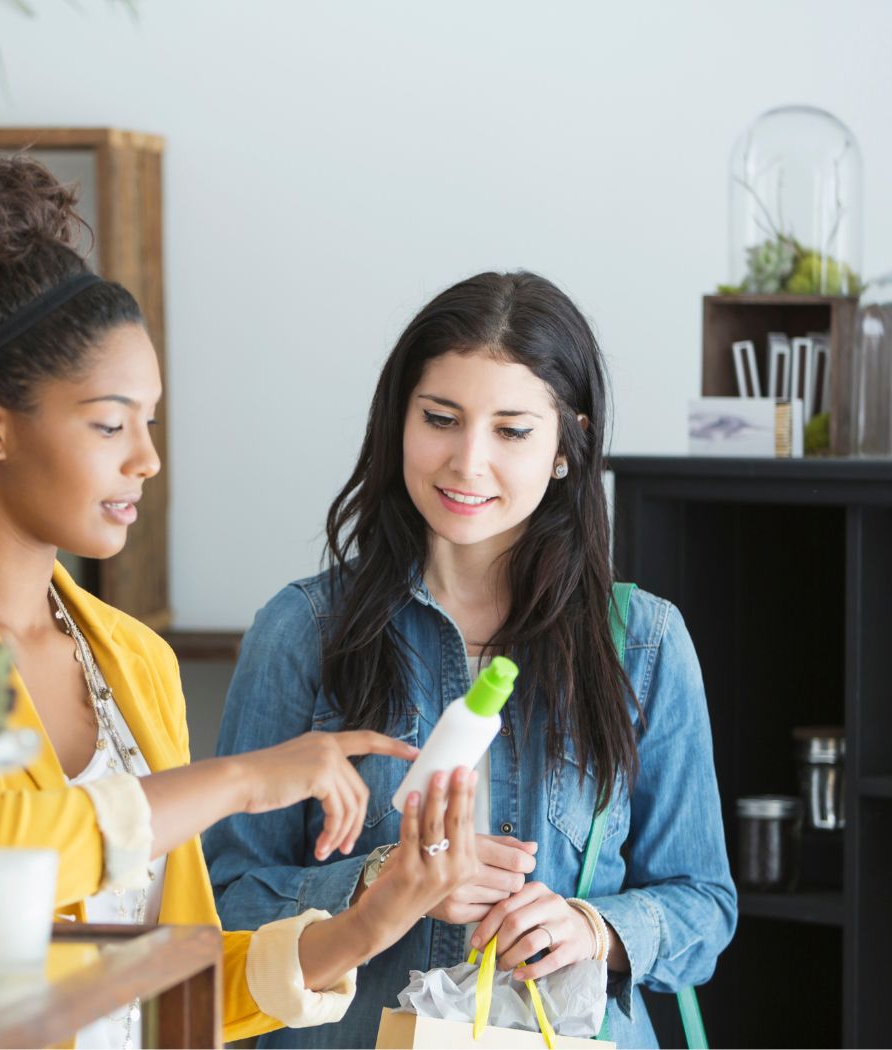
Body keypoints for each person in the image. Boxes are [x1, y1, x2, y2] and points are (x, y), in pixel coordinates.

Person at [0, 155, 481, 1047]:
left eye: (150, 421)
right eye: (109, 424)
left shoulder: (132, 659)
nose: (146, 458)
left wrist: (374, 921)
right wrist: (243, 779)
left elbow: (171, 986)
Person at [203, 271, 737, 1048]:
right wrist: (377, 883)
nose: (467, 461)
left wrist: (592, 926)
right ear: (399, 422)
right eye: (441, 419)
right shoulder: (304, 629)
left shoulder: (645, 644)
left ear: (566, 445)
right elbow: (225, 899)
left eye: (512, 430)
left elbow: (705, 907)